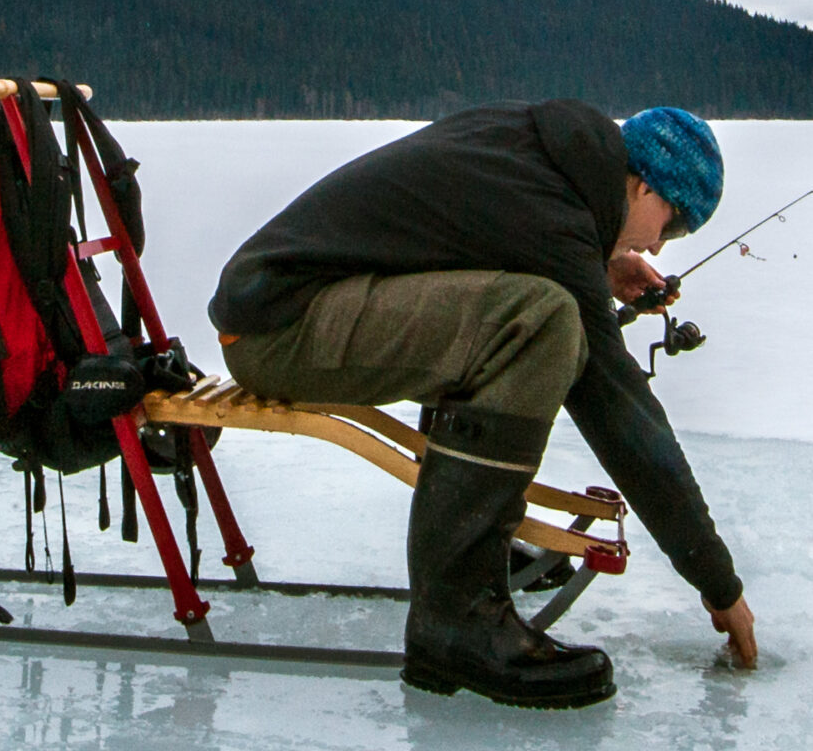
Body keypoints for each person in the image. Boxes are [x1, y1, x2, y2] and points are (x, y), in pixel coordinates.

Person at [207, 100, 756, 709]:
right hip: (281, 331)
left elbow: (478, 233)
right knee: (543, 323)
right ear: (646, 184)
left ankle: (477, 541)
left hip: (279, 306)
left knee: (534, 311)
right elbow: (620, 411)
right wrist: (717, 583)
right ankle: (455, 618)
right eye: (675, 225)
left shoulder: (538, 152)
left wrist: (597, 266)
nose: (658, 246)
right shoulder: (553, 210)